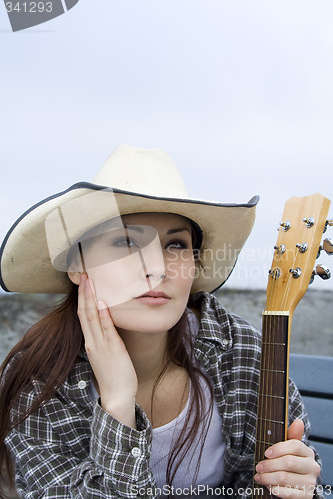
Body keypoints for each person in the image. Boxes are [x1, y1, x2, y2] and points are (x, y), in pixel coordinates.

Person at [0, 145, 321, 499]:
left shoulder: (241, 351)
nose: (156, 268)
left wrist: (300, 482)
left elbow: (302, 481)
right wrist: (118, 402)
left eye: (176, 245)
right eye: (125, 241)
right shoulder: (39, 378)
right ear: (77, 265)